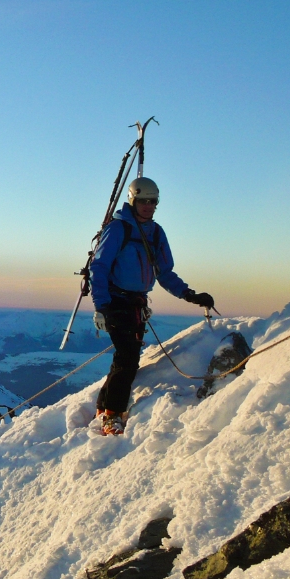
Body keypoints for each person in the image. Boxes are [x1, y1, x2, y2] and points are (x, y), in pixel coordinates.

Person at [90, 177, 214, 435]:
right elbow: (99, 267)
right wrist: (101, 306)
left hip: (136, 303)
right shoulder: (118, 229)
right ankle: (112, 414)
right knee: (128, 358)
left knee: (125, 356)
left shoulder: (156, 233)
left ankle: (104, 407)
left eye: (153, 201)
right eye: (144, 201)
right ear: (133, 200)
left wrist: (189, 294)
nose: (149, 206)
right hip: (116, 301)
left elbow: (165, 272)